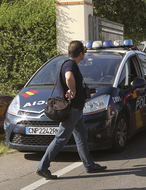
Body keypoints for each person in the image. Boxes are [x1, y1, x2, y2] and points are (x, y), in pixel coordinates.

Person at [36, 41, 107, 180]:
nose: (84, 54)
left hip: (76, 110)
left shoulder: (68, 64)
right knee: (61, 138)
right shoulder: (70, 65)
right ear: (80, 53)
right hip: (72, 110)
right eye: (84, 52)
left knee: (81, 136)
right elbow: (68, 77)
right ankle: (42, 167)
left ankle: (89, 165)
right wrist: (73, 90)